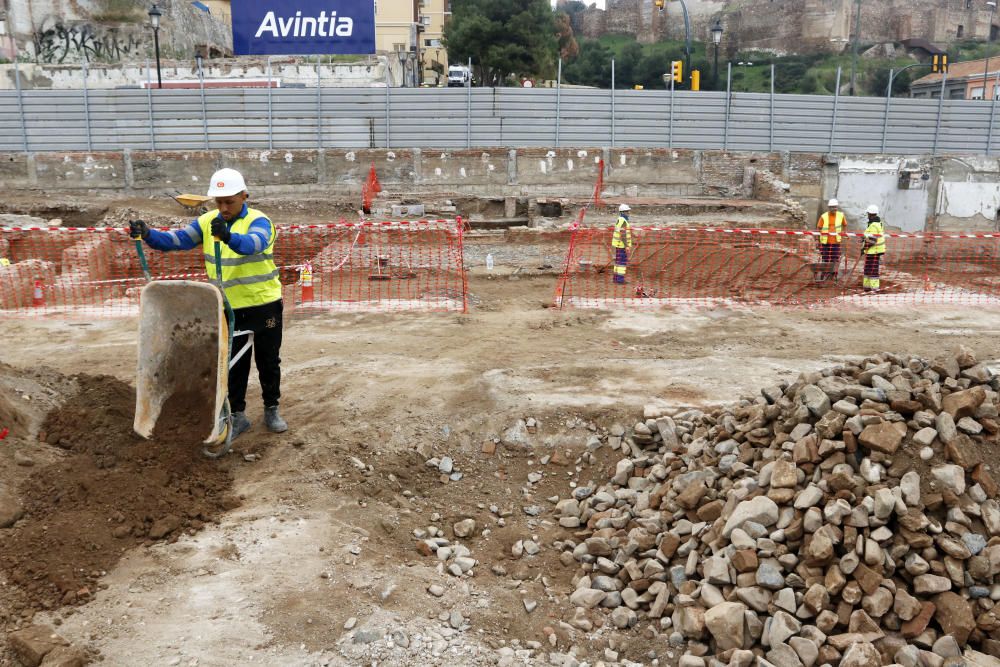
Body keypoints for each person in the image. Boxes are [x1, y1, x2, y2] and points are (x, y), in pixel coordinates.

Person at [128, 168, 287, 440]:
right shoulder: (208, 221)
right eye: (219, 202)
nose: (223, 208)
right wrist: (149, 234)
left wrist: (228, 237)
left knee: (268, 360)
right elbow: (177, 241)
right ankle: (237, 416)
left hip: (264, 305)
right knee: (233, 363)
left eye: (229, 202)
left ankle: (271, 408)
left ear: (244, 196)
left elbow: (253, 244)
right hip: (228, 307)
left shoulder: (260, 222)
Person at [816, 198, 846, 280]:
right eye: (832, 207)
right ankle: (824, 273)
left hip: (836, 242)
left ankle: (834, 274)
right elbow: (819, 228)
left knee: (835, 258)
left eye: (835, 207)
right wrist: (817, 240)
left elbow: (844, 225)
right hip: (825, 242)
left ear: (837, 207)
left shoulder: (841, 215)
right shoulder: (824, 216)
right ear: (829, 207)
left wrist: (843, 234)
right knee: (825, 258)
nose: (834, 209)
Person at [862, 204, 886, 292]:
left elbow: (873, 240)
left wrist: (864, 247)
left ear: (870, 214)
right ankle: (867, 287)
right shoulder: (874, 223)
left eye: (868, 213)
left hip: (874, 251)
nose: (867, 215)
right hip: (871, 251)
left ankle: (874, 289)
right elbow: (869, 237)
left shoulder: (874, 225)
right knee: (868, 269)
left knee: (872, 270)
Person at [612, 204, 633, 284]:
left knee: (618, 262)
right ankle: (620, 280)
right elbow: (623, 234)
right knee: (621, 263)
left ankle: (616, 278)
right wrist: (626, 246)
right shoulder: (623, 221)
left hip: (619, 244)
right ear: (623, 212)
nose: (628, 213)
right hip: (621, 245)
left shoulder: (620, 219)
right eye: (627, 211)